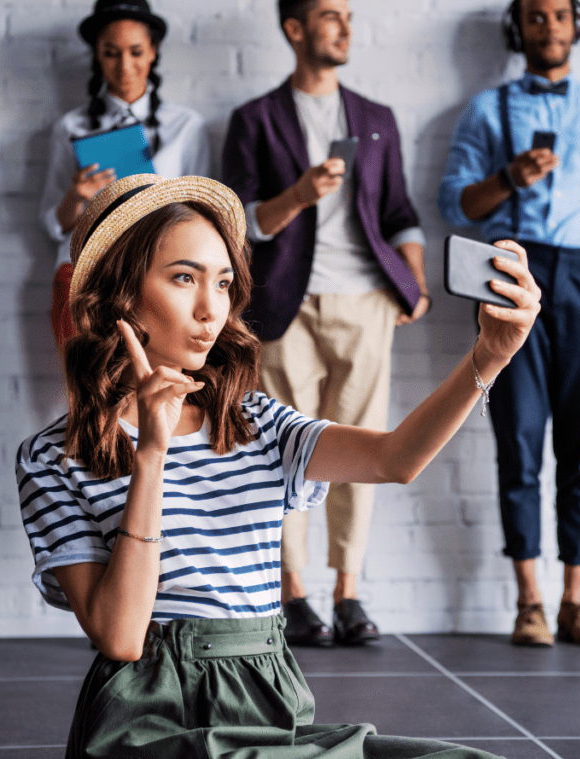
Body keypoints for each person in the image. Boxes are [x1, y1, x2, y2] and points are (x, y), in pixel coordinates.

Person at [16, 173, 539, 757]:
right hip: (151, 720)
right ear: (124, 294)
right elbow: (120, 635)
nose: (211, 309)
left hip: (269, 705)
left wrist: (489, 357)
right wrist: (151, 458)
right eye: (183, 278)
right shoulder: (54, 458)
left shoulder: (258, 424)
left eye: (222, 282)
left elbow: (396, 458)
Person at [438, 0, 580, 648]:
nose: (549, 26)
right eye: (535, 16)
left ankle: (574, 600)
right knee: (519, 438)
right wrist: (509, 177)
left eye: (559, 14)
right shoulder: (485, 110)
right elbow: (457, 202)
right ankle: (529, 600)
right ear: (519, 29)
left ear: (575, 25)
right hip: (512, 271)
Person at [221, 0, 429, 646]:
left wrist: (413, 281)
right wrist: (300, 195)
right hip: (282, 305)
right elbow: (238, 221)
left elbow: (399, 210)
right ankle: (292, 593)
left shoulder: (376, 118)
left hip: (367, 300)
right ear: (294, 28)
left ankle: (348, 591)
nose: (343, 26)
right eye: (329, 14)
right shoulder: (253, 118)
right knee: (287, 451)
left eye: (348, 15)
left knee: (362, 447)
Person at [39, 0, 210, 350]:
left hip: (157, 273)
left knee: (152, 386)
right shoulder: (70, 128)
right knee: (89, 391)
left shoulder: (186, 126)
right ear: (97, 56)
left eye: (136, 52)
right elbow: (51, 223)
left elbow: (203, 217)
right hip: (85, 274)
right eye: (111, 53)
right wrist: (76, 197)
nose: (125, 66)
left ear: (153, 52)